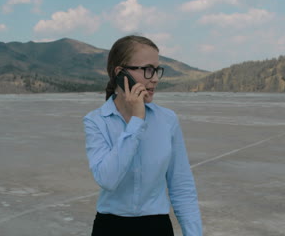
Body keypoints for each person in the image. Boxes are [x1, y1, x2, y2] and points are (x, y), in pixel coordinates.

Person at [83, 35, 202, 236]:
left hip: (157, 228)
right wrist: (136, 121)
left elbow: (181, 187)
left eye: (156, 70)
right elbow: (107, 179)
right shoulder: (96, 121)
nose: (155, 78)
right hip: (110, 228)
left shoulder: (167, 120)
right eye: (147, 70)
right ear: (121, 73)